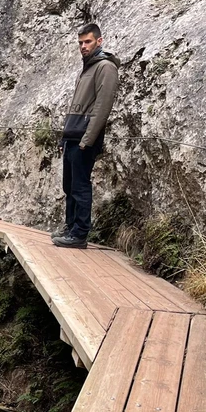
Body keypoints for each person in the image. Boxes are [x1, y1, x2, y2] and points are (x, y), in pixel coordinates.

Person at [52, 23, 121, 249]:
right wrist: (65, 137)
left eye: (88, 41)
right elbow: (76, 105)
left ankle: (79, 234)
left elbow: (102, 106)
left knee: (80, 186)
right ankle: (71, 227)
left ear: (99, 41)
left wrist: (87, 140)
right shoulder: (87, 67)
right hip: (73, 135)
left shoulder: (105, 67)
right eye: (81, 42)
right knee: (69, 185)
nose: (83, 46)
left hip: (84, 138)